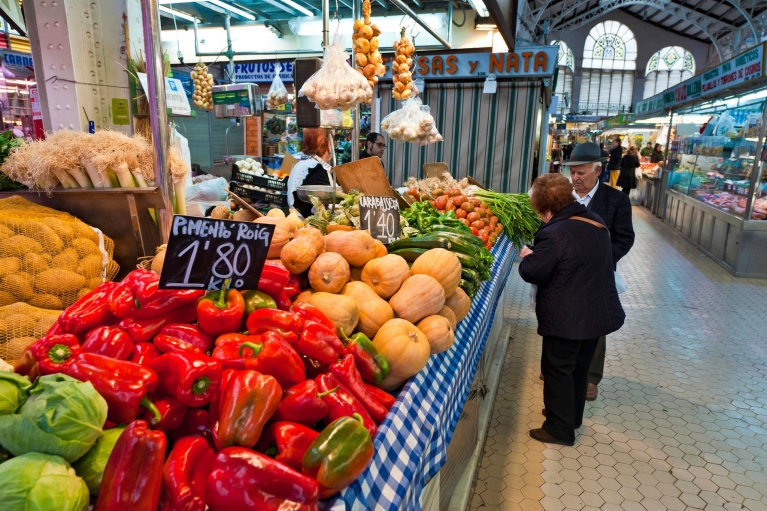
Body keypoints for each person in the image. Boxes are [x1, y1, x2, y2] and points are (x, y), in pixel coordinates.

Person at [519, 173, 625, 446]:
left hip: (567, 317)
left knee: (557, 370)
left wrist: (528, 258)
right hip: (596, 314)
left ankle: (558, 429)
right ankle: (571, 416)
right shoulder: (595, 221)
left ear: (545, 208)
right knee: (579, 369)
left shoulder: (553, 233)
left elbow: (535, 273)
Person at [563, 142, 635, 401]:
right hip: (564, 274)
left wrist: (601, 260)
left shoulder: (616, 201)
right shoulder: (563, 197)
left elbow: (625, 238)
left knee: (594, 324)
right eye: (572, 172)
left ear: (598, 170)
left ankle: (591, 377)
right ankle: (561, 368)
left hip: (598, 275)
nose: (575, 178)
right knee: (561, 319)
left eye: (581, 172)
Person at [286, 128, 334, 218]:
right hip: (309, 227)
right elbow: (320, 210)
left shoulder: (301, 164)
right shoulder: (317, 169)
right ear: (328, 144)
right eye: (333, 143)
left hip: (297, 222)